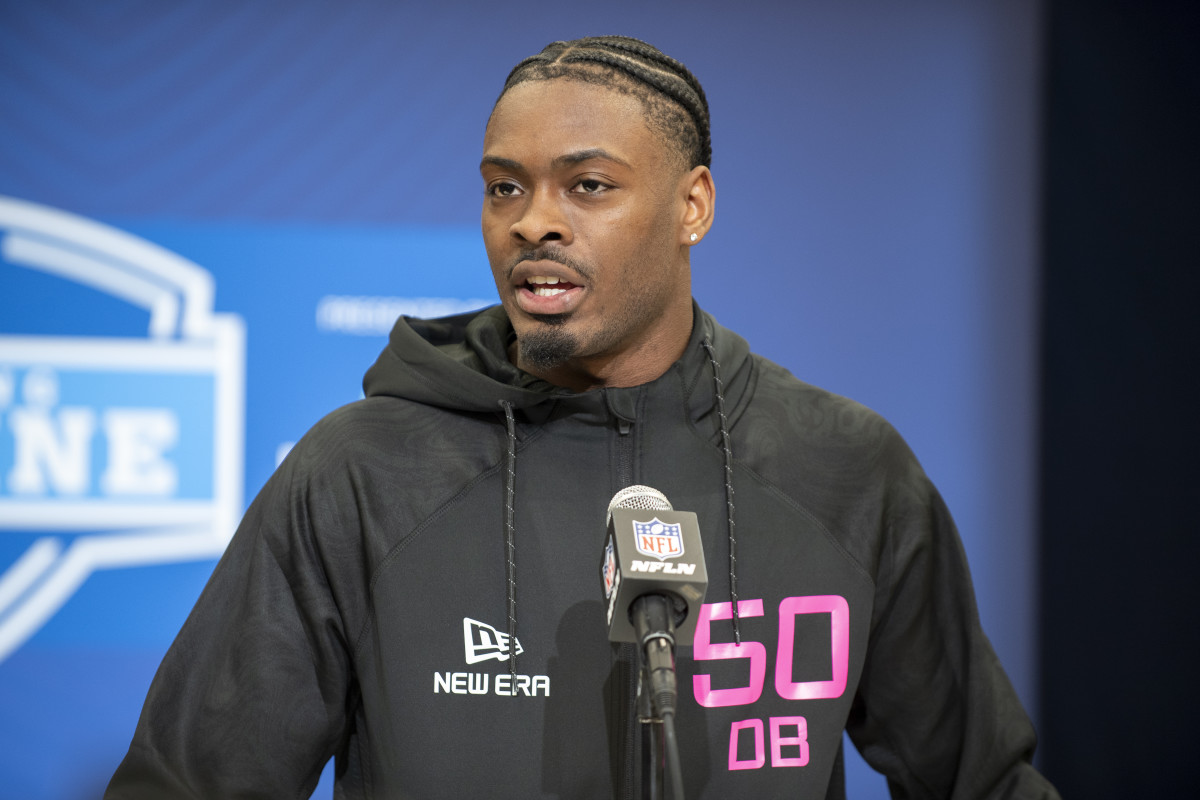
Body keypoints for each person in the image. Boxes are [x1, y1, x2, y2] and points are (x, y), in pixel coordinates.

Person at [106, 36, 1059, 799]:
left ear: (693, 206)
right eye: (504, 187)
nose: (532, 222)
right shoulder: (358, 473)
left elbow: (981, 781)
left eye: (587, 185)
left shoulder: (846, 469)